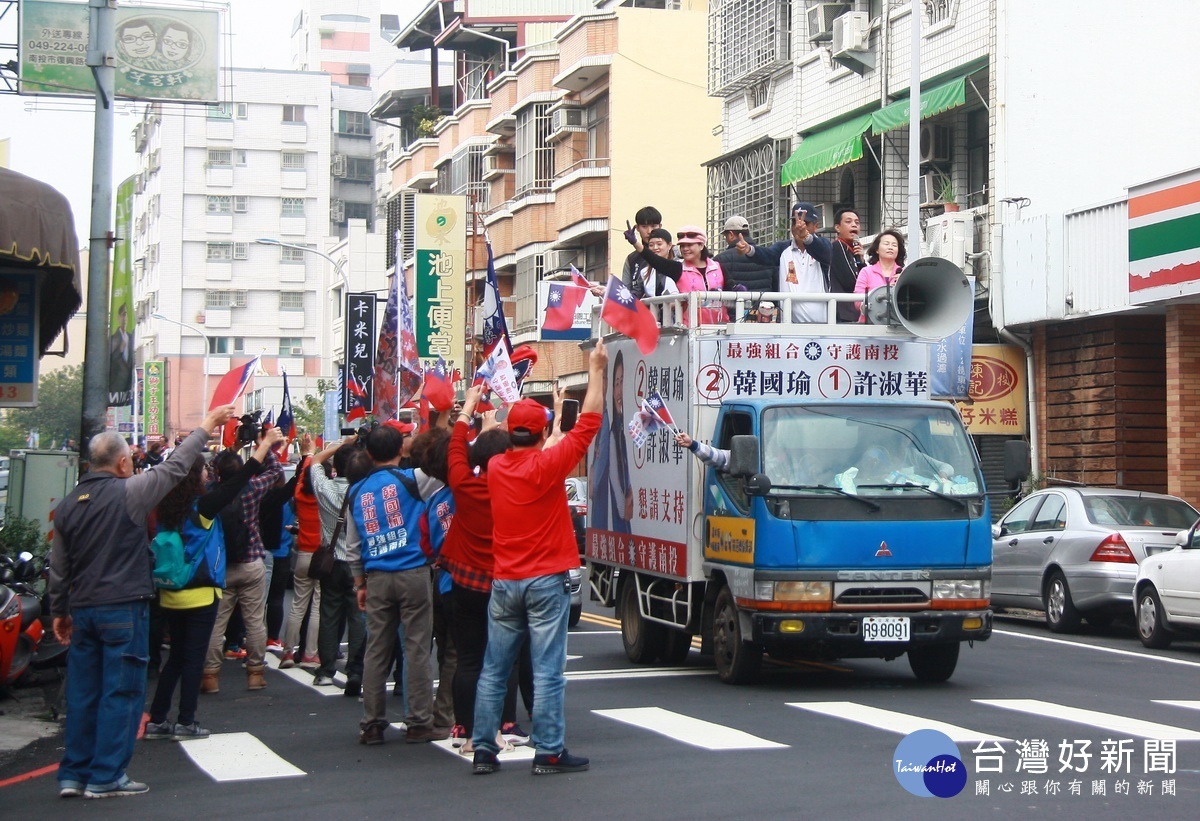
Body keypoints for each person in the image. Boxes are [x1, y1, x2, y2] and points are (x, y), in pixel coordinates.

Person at [48, 404, 236, 800]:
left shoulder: (67, 505)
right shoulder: (128, 493)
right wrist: (205, 426)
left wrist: (60, 612)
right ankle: (106, 775)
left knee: (84, 692)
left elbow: (59, 569)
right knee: (121, 691)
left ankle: (73, 774)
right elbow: (173, 468)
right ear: (121, 462)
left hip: (82, 609)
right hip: (122, 607)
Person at [470, 338, 608, 776]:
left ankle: (484, 751)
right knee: (547, 670)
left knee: (494, 668)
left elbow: (489, 438)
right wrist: (598, 367)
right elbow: (590, 421)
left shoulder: (495, 468)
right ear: (545, 433)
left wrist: (486, 412)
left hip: (505, 581)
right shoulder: (549, 467)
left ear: (511, 435)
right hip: (546, 580)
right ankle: (548, 750)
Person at [144, 428, 283, 743]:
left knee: (176, 658)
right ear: (195, 476)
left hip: (169, 591)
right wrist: (264, 445)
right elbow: (241, 478)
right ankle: (186, 720)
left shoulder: (164, 507)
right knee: (193, 658)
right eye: (204, 468)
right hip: (200, 591)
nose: (208, 471)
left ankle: (159, 719)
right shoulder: (202, 507)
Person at [346, 424, 445, 746]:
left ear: (369, 453)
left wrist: (359, 582)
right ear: (400, 450)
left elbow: (352, 546)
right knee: (416, 647)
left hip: (375, 576)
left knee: (377, 650)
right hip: (413, 572)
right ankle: (418, 721)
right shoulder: (412, 479)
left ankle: (372, 723)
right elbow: (444, 463)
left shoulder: (356, 491)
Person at [200, 428, 284, 694]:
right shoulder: (251, 489)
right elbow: (275, 475)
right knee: (255, 621)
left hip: (220, 566)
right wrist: (265, 446)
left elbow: (213, 470)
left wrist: (234, 446)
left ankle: (211, 676)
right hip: (251, 562)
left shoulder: (210, 493)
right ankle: (256, 673)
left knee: (217, 623)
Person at [307, 436, 365, 694]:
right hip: (357, 563)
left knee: (329, 615)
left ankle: (326, 670)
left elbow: (314, 461)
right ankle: (355, 669)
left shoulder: (325, 488)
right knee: (358, 617)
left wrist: (341, 444)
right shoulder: (364, 492)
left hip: (331, 561)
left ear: (336, 467)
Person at [740, 202, 836, 323]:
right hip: (788, 327)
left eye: (805, 223)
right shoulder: (783, 248)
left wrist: (806, 237)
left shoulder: (823, 246)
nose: (799, 226)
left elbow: (825, 253)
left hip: (821, 326)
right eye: (795, 222)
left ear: (816, 226)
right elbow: (767, 255)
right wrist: (749, 249)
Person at [675, 226, 727, 324]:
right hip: (691, 329)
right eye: (682, 245)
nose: (685, 249)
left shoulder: (718, 267)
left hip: (720, 328)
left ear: (701, 245)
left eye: (689, 245)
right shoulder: (678, 269)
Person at [854, 229, 907, 322]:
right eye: (886, 244)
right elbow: (857, 300)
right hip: (869, 325)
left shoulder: (905, 273)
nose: (890, 247)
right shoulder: (866, 271)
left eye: (894, 245)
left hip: (897, 326)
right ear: (877, 249)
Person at [714, 215, 775, 294]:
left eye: (726, 236)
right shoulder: (766, 255)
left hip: (736, 305)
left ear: (731, 234)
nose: (726, 240)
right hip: (764, 304)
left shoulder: (721, 259)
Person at [829, 208, 867, 323]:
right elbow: (850, 281)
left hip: (853, 312)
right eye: (848, 222)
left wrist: (861, 260)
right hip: (842, 311)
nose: (854, 225)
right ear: (837, 228)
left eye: (857, 222)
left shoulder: (853, 250)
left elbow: (865, 280)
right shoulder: (838, 246)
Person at [627, 228, 681, 298]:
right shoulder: (644, 272)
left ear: (669, 245)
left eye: (659, 244)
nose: (655, 248)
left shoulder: (679, 266)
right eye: (651, 245)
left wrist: (635, 243)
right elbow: (635, 295)